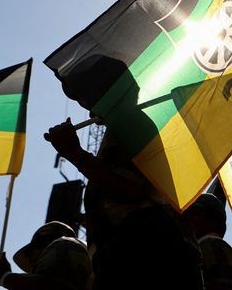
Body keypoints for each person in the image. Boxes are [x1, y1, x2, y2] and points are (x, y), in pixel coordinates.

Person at [45, 119, 203, 289]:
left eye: (81, 93)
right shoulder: (124, 127)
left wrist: (75, 153)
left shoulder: (128, 125)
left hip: (145, 257)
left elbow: (132, 190)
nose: (84, 103)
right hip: (136, 257)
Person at [0, 221, 93, 290]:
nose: (32, 263)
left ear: (41, 244)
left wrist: (5, 277)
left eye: (30, 253)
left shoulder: (63, 243)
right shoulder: (85, 252)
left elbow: (53, 285)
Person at [183, 193, 232, 290]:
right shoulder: (209, 245)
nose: (189, 219)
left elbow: (222, 286)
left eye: (196, 214)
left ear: (213, 220)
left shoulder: (213, 245)